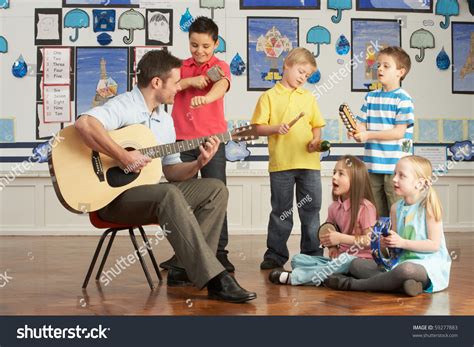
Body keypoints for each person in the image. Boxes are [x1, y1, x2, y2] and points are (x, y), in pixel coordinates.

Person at [74, 49, 256, 303]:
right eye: (175, 83)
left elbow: (172, 172)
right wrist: (124, 156)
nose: (178, 89)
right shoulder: (125, 104)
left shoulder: (165, 121)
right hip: (112, 200)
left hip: (148, 195)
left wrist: (198, 163)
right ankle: (216, 278)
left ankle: (183, 267)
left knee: (215, 188)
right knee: (167, 194)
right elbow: (84, 124)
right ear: (157, 83)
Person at [324, 155, 451, 297]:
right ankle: (404, 286)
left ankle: (353, 285)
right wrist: (387, 243)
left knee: (406, 270)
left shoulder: (428, 207)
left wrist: (402, 242)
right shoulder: (396, 208)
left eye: (401, 176)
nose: (394, 179)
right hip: (399, 263)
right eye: (394, 174)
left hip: (427, 265)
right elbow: (394, 249)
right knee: (356, 265)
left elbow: (434, 245)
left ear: (420, 183)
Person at [164, 16, 234, 272]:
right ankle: (181, 255)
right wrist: (188, 82)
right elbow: (169, 91)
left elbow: (222, 85)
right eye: (194, 45)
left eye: (205, 46)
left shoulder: (221, 66)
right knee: (180, 202)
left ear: (215, 44)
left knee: (218, 194)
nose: (200, 51)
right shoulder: (180, 67)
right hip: (181, 141)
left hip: (213, 140)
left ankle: (219, 252)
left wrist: (205, 99)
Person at [251, 47, 326, 270]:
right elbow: (257, 128)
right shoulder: (268, 97)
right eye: (301, 72)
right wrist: (275, 128)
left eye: (307, 75)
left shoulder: (309, 98)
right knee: (281, 211)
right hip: (281, 164)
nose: (303, 78)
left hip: (309, 164)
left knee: (311, 211)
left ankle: (312, 254)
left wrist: (315, 141)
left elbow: (317, 127)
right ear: (287, 65)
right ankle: (275, 254)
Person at [269, 156, 377, 285]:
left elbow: (371, 240)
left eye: (341, 174)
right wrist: (332, 247)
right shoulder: (334, 207)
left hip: (359, 262)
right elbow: (327, 230)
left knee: (344, 261)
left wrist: (340, 238)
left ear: (356, 181)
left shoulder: (365, 208)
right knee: (297, 260)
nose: (334, 177)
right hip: (338, 261)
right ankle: (327, 276)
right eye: (334, 173)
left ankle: (295, 278)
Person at [349, 46, 414, 217]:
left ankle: (399, 244)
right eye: (378, 65)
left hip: (396, 167)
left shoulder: (403, 99)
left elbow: (399, 133)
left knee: (397, 210)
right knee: (375, 211)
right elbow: (362, 124)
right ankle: (381, 244)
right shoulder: (370, 97)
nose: (379, 69)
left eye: (386, 66)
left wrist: (368, 134)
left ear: (400, 72)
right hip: (372, 165)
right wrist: (358, 134)